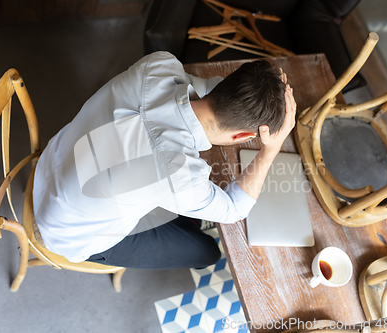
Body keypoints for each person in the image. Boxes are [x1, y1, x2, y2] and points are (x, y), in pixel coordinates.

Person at [32, 51, 296, 269]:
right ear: (242, 136)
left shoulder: (160, 65)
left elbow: (206, 89)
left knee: (179, 207)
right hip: (69, 233)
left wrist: (259, 85)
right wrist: (270, 150)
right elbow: (232, 210)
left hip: (52, 163)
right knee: (207, 253)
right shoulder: (180, 174)